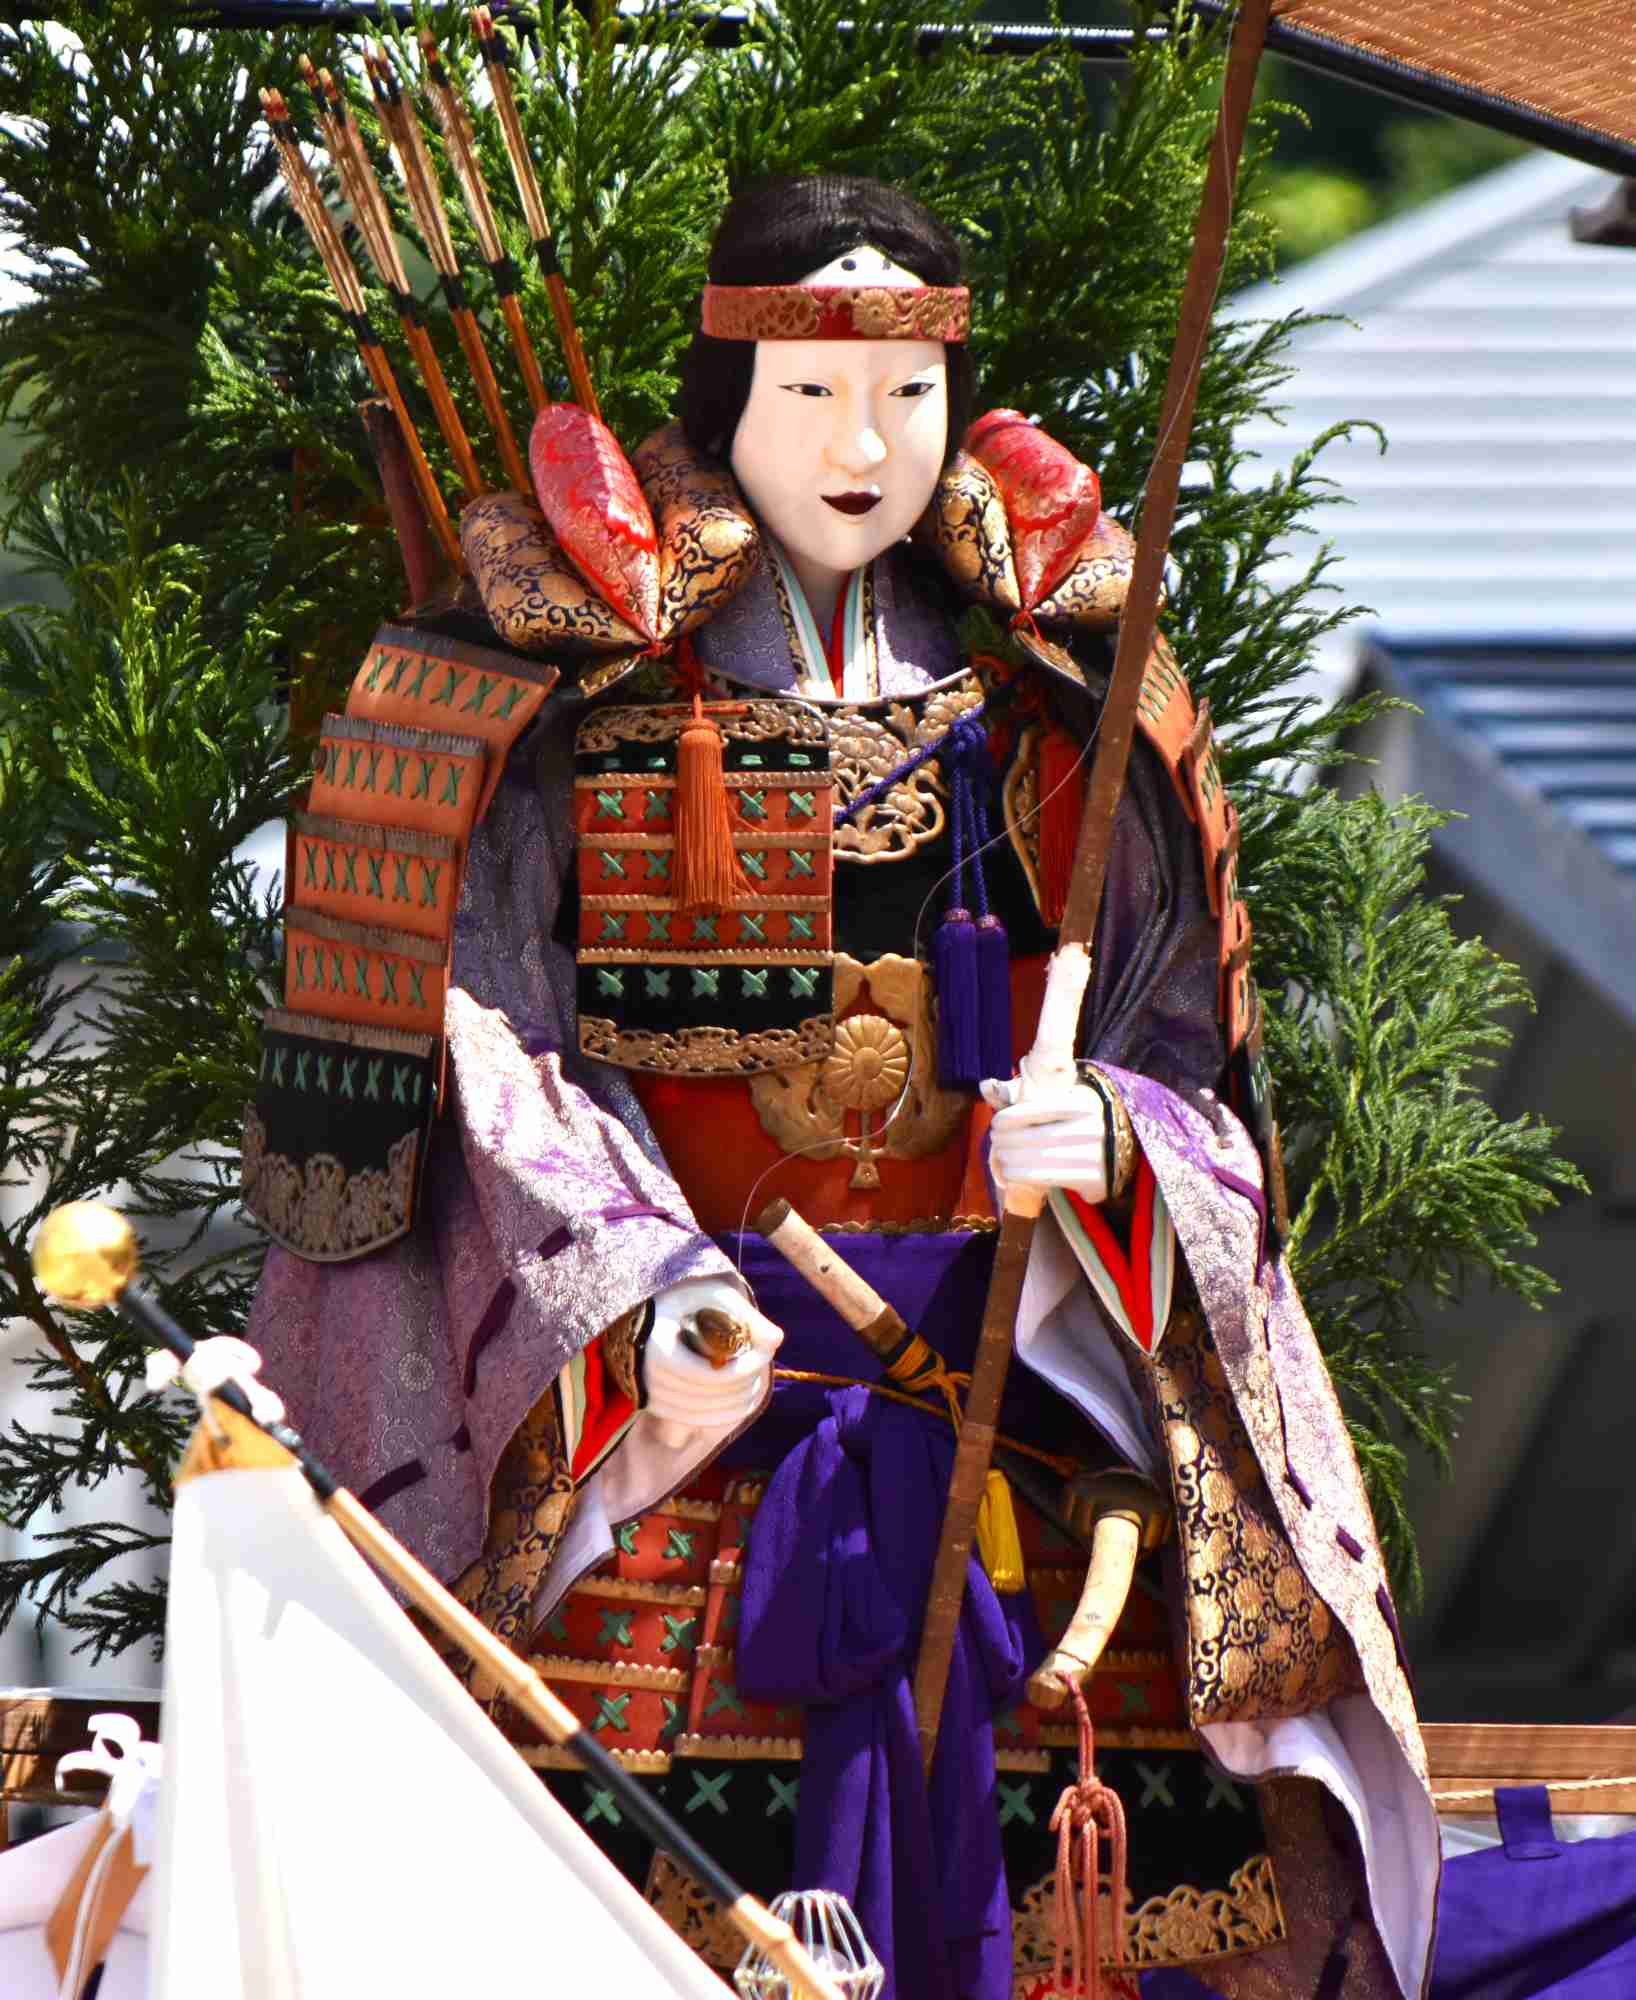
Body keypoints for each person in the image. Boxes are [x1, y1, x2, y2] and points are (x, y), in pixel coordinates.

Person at [244, 175, 1437, 2000]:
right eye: (810, 394)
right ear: (731, 401)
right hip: (686, 1418)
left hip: (1010, 1427)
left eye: (906, 397)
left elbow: (1186, 1055)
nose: (862, 447)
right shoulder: (571, 692)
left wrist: (1116, 1143)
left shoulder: (1064, 699)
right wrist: (636, 1289)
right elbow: (489, 1037)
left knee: (1094, 1921)